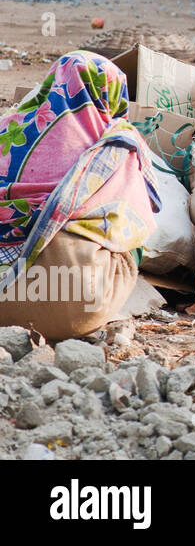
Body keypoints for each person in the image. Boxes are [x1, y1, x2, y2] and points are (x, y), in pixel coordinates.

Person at [0, 52, 160, 341]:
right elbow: (142, 219)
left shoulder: (9, 130)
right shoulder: (115, 143)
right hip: (77, 304)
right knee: (131, 228)